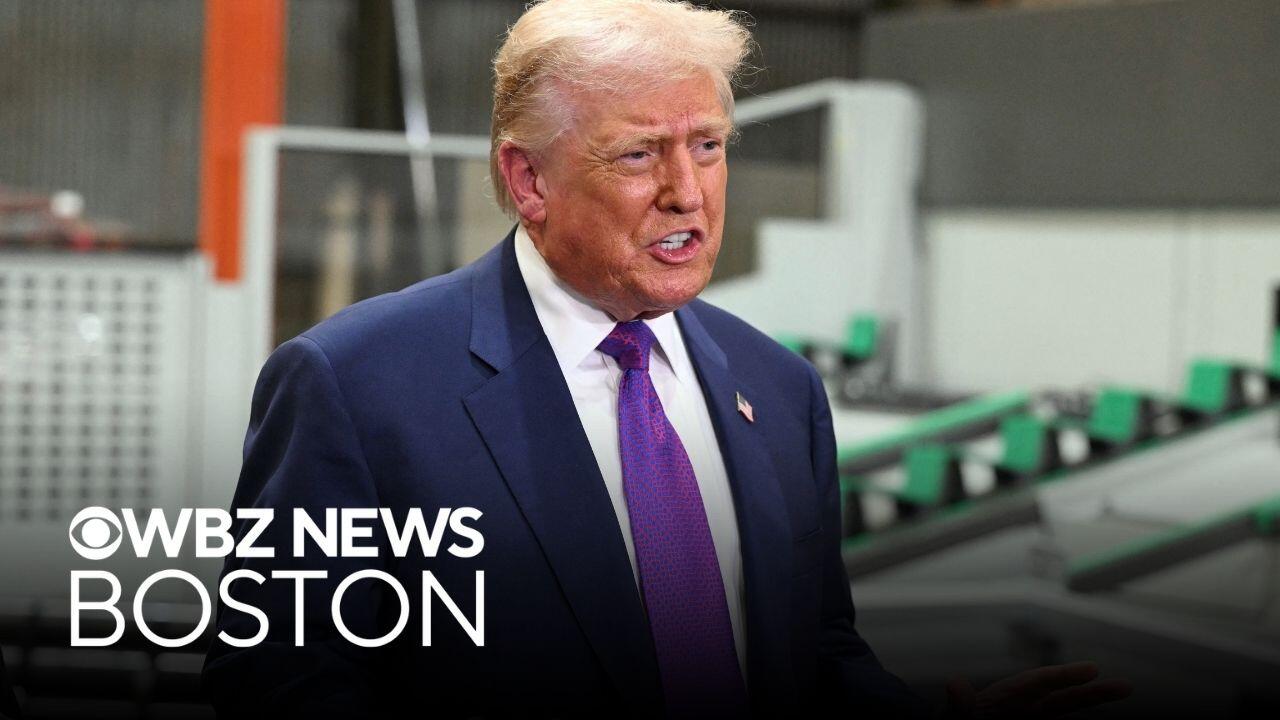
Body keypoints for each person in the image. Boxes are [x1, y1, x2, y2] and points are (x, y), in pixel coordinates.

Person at [204, 1, 1129, 717]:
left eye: (709, 147)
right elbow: (279, 686)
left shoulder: (780, 390)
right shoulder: (356, 385)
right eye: (640, 155)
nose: (689, 192)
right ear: (529, 179)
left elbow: (816, 657)